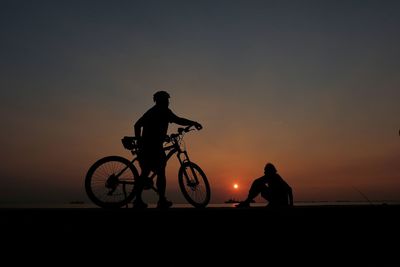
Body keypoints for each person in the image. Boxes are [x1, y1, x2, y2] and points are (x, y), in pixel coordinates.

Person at [133, 90, 202, 209]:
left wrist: (141, 142)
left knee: (145, 173)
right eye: (167, 100)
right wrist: (193, 123)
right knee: (160, 172)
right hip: (153, 147)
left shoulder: (151, 111)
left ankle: (138, 200)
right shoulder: (163, 111)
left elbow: (138, 125)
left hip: (146, 146)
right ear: (162, 100)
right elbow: (178, 120)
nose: (168, 102)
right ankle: (161, 200)